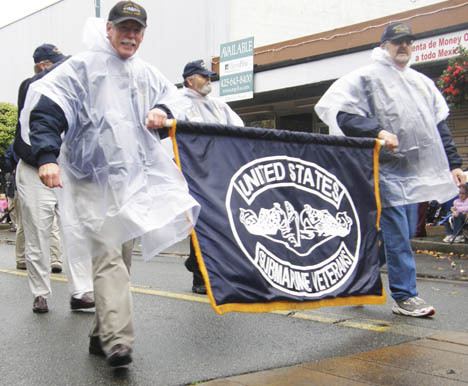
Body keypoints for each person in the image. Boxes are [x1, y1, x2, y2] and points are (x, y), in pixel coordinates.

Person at [22, 1, 199, 368]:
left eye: (137, 30)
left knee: (121, 259)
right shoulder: (83, 68)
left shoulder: (145, 74)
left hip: (129, 182)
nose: (130, 35)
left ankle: (101, 335)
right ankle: (119, 342)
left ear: (143, 34)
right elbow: (48, 109)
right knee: (107, 255)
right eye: (124, 28)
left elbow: (173, 99)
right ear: (109, 30)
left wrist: (162, 113)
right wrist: (47, 156)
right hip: (90, 181)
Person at [315, 22, 465, 318]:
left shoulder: (421, 83)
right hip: (380, 170)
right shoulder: (366, 78)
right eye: (398, 41)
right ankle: (405, 295)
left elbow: (439, 126)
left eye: (409, 41)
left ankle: (356, 280)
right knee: (397, 230)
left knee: (404, 230)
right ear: (384, 46)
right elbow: (344, 115)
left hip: (412, 173)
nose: (404, 46)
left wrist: (455, 164)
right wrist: (378, 131)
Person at [13, 43, 95, 313]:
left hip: (66, 169)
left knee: (76, 230)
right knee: (38, 232)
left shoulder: (71, 91)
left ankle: (81, 291)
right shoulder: (31, 86)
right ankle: (40, 293)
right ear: (42, 67)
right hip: (35, 167)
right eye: (55, 65)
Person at [179, 59, 244, 294]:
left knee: (222, 222)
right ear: (190, 80)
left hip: (220, 173)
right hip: (194, 175)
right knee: (201, 222)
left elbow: (238, 129)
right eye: (203, 76)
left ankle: (212, 269)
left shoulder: (219, 106)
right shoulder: (178, 104)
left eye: (209, 76)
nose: (208, 80)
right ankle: (199, 275)